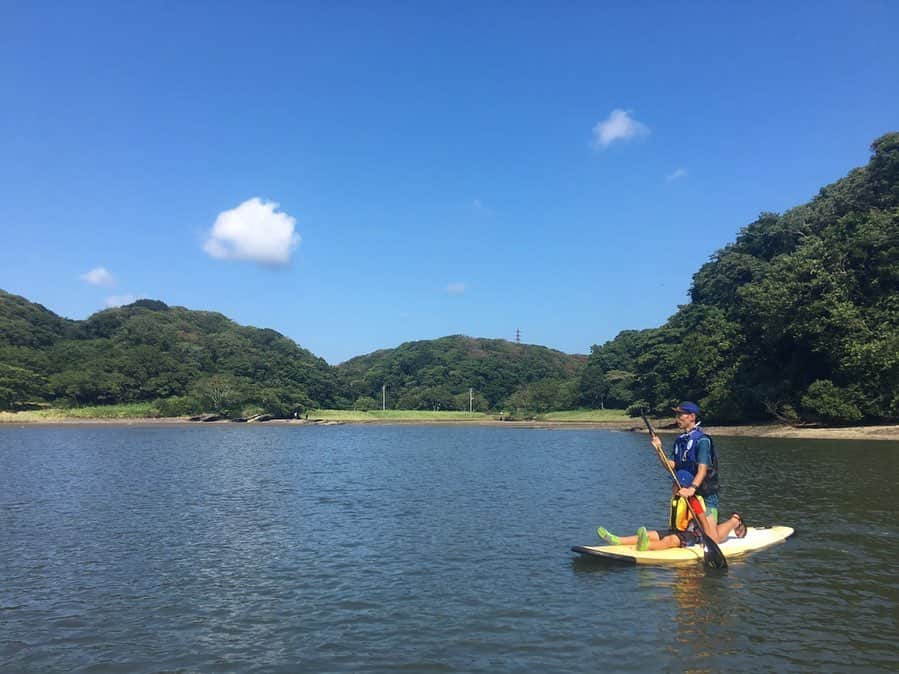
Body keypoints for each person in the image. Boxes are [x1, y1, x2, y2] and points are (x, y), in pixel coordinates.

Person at [596, 401, 746, 550]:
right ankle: (619, 540)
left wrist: (692, 489)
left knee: (712, 538)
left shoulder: (702, 440)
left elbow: (702, 470)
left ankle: (735, 521)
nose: (677, 418)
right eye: (677, 414)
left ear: (692, 416)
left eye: (681, 415)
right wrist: (658, 451)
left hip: (704, 493)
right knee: (677, 530)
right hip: (684, 491)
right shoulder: (679, 441)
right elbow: (672, 467)